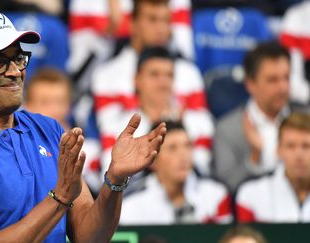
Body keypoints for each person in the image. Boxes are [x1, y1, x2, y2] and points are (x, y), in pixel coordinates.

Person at [0, 8, 166, 243]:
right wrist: (59, 198)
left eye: (18, 58)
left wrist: (115, 180)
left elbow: (89, 236)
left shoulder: (49, 130)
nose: (14, 71)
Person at [91, 0, 211, 175]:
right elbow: (110, 131)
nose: (161, 28)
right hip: (133, 178)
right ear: (132, 24)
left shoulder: (189, 72)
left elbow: (203, 130)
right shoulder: (106, 75)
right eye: (153, 19)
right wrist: (154, 120)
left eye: (166, 20)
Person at [213, 41, 298, 191]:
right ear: (250, 84)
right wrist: (254, 158)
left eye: (286, 78)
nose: (283, 87)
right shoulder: (227, 129)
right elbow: (225, 188)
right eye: (273, 80)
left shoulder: (305, 118)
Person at [120, 120, 230, 225]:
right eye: (172, 148)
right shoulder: (131, 207)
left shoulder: (215, 195)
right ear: (152, 159)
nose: (183, 155)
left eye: (187, 146)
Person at [24, 67, 103, 194]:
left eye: (59, 102)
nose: (54, 110)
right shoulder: (20, 148)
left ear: (69, 106)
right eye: (45, 102)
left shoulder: (89, 150)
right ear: (27, 106)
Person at [235, 112, 310, 223]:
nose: (298, 155)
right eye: (290, 146)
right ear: (278, 150)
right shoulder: (251, 194)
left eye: (306, 146)